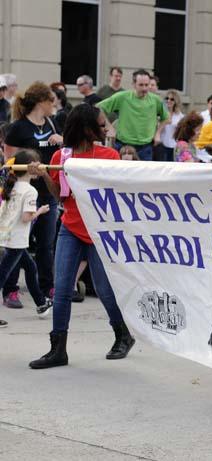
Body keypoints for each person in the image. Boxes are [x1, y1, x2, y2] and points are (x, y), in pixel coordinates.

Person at [29, 104, 135, 369]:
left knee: (103, 289)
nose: (106, 128)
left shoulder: (109, 155)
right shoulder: (61, 157)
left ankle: (122, 334)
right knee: (62, 288)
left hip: (99, 233)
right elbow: (59, 196)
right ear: (86, 129)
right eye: (101, 125)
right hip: (70, 228)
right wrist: (44, 176)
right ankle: (58, 350)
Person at [3, 82, 62, 309]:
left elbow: (59, 156)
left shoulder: (51, 123)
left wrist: (61, 141)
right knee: (17, 243)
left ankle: (48, 287)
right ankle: (10, 290)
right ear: (41, 102)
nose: (54, 105)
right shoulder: (18, 128)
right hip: (24, 191)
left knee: (46, 243)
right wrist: (29, 168)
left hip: (46, 191)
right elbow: (10, 164)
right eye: (51, 101)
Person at [0, 149, 53, 320]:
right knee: (2, 275)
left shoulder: (11, 186)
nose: (41, 167)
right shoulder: (30, 191)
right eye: (38, 164)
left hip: (8, 236)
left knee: (30, 268)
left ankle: (41, 304)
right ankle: (41, 303)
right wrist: (40, 211)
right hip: (16, 240)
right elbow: (25, 218)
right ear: (30, 168)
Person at [97, 69, 168, 161]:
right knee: (121, 175)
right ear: (134, 84)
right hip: (123, 147)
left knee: (144, 175)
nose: (144, 88)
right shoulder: (122, 97)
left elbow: (166, 118)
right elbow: (98, 108)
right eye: (141, 85)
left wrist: (158, 133)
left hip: (146, 148)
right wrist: (109, 127)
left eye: (147, 85)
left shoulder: (156, 100)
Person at [154, 89, 184, 161]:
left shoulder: (179, 116)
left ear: (176, 101)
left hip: (174, 146)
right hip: (161, 145)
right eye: (167, 98)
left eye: (172, 99)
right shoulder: (160, 113)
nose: (169, 101)